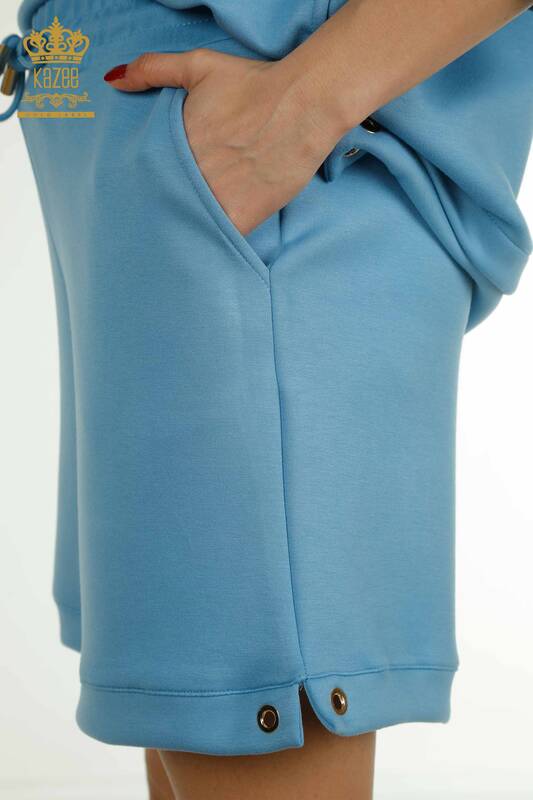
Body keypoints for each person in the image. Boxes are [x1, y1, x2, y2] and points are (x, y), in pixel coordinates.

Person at [2, 1, 532, 798]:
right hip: (128, 138)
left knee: (250, 698)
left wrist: (300, 104)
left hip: (264, 142)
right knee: (194, 711)